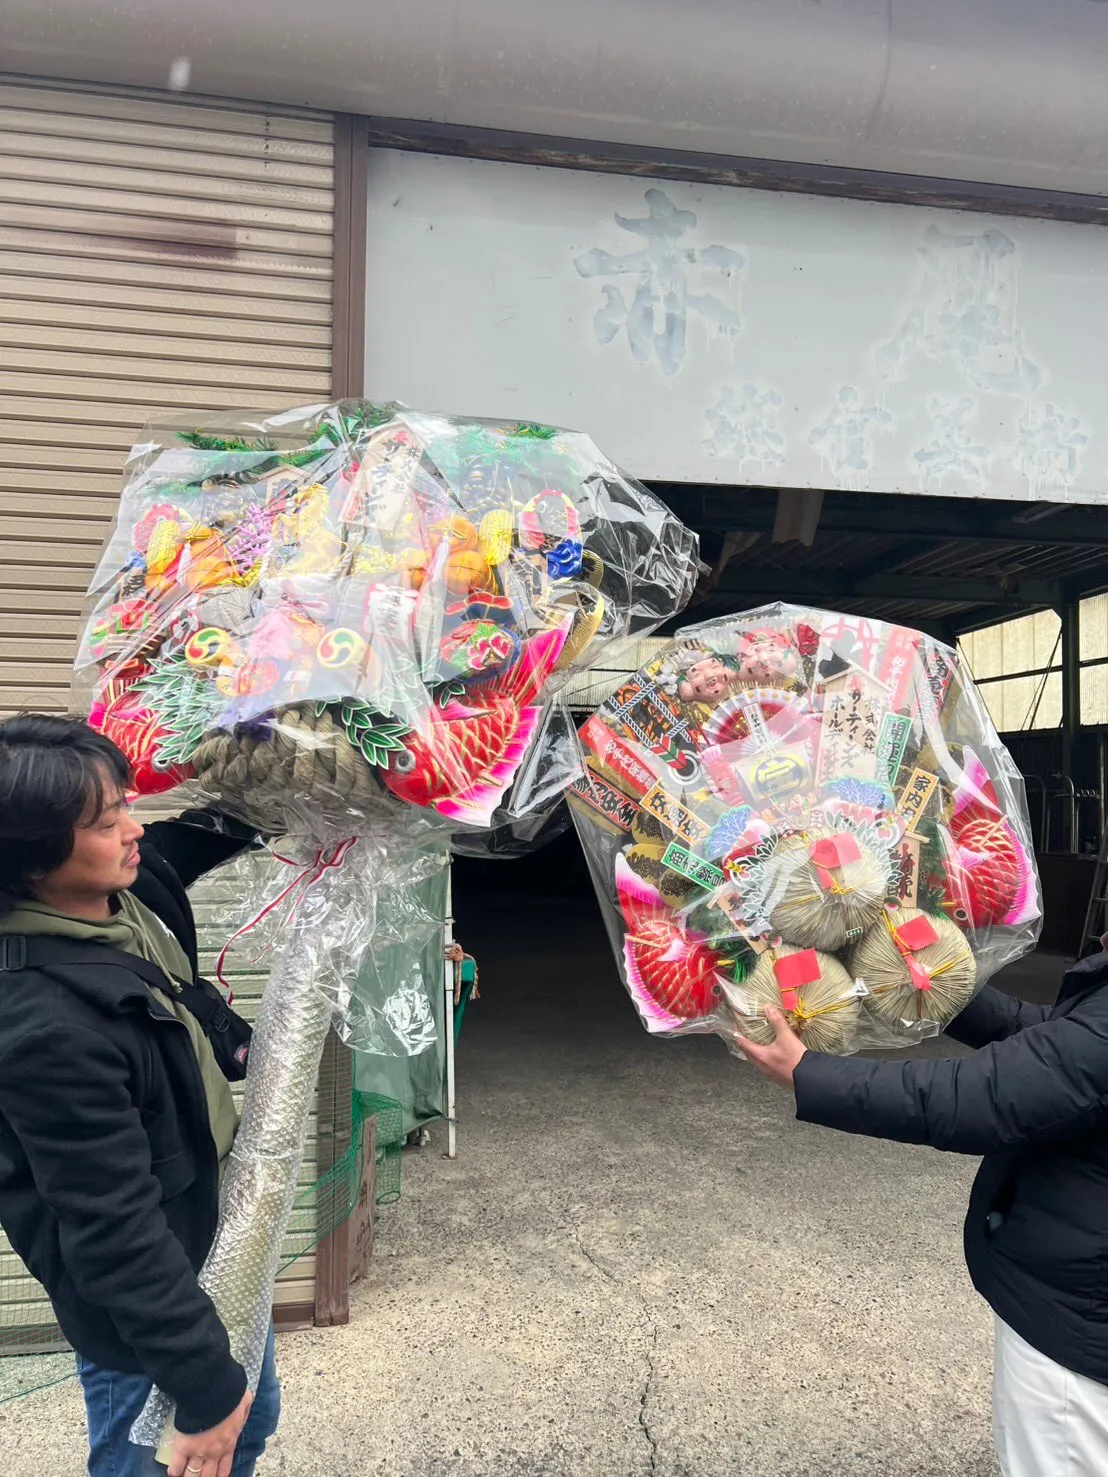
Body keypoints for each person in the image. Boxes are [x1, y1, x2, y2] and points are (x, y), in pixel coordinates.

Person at [0, 714, 280, 1477]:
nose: (134, 826)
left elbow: (212, 827)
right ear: (30, 860)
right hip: (150, 1314)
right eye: (106, 818)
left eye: (125, 800)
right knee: (162, 1458)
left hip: (215, 1249)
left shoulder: (127, 893)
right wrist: (203, 1383)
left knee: (253, 1427)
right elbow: (113, 1230)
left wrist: (314, 761)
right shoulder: (42, 1026)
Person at [735, 952, 1108, 1477]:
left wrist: (810, 1075)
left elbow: (982, 1096)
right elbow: (1055, 1045)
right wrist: (917, 976)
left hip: (1080, 1324)